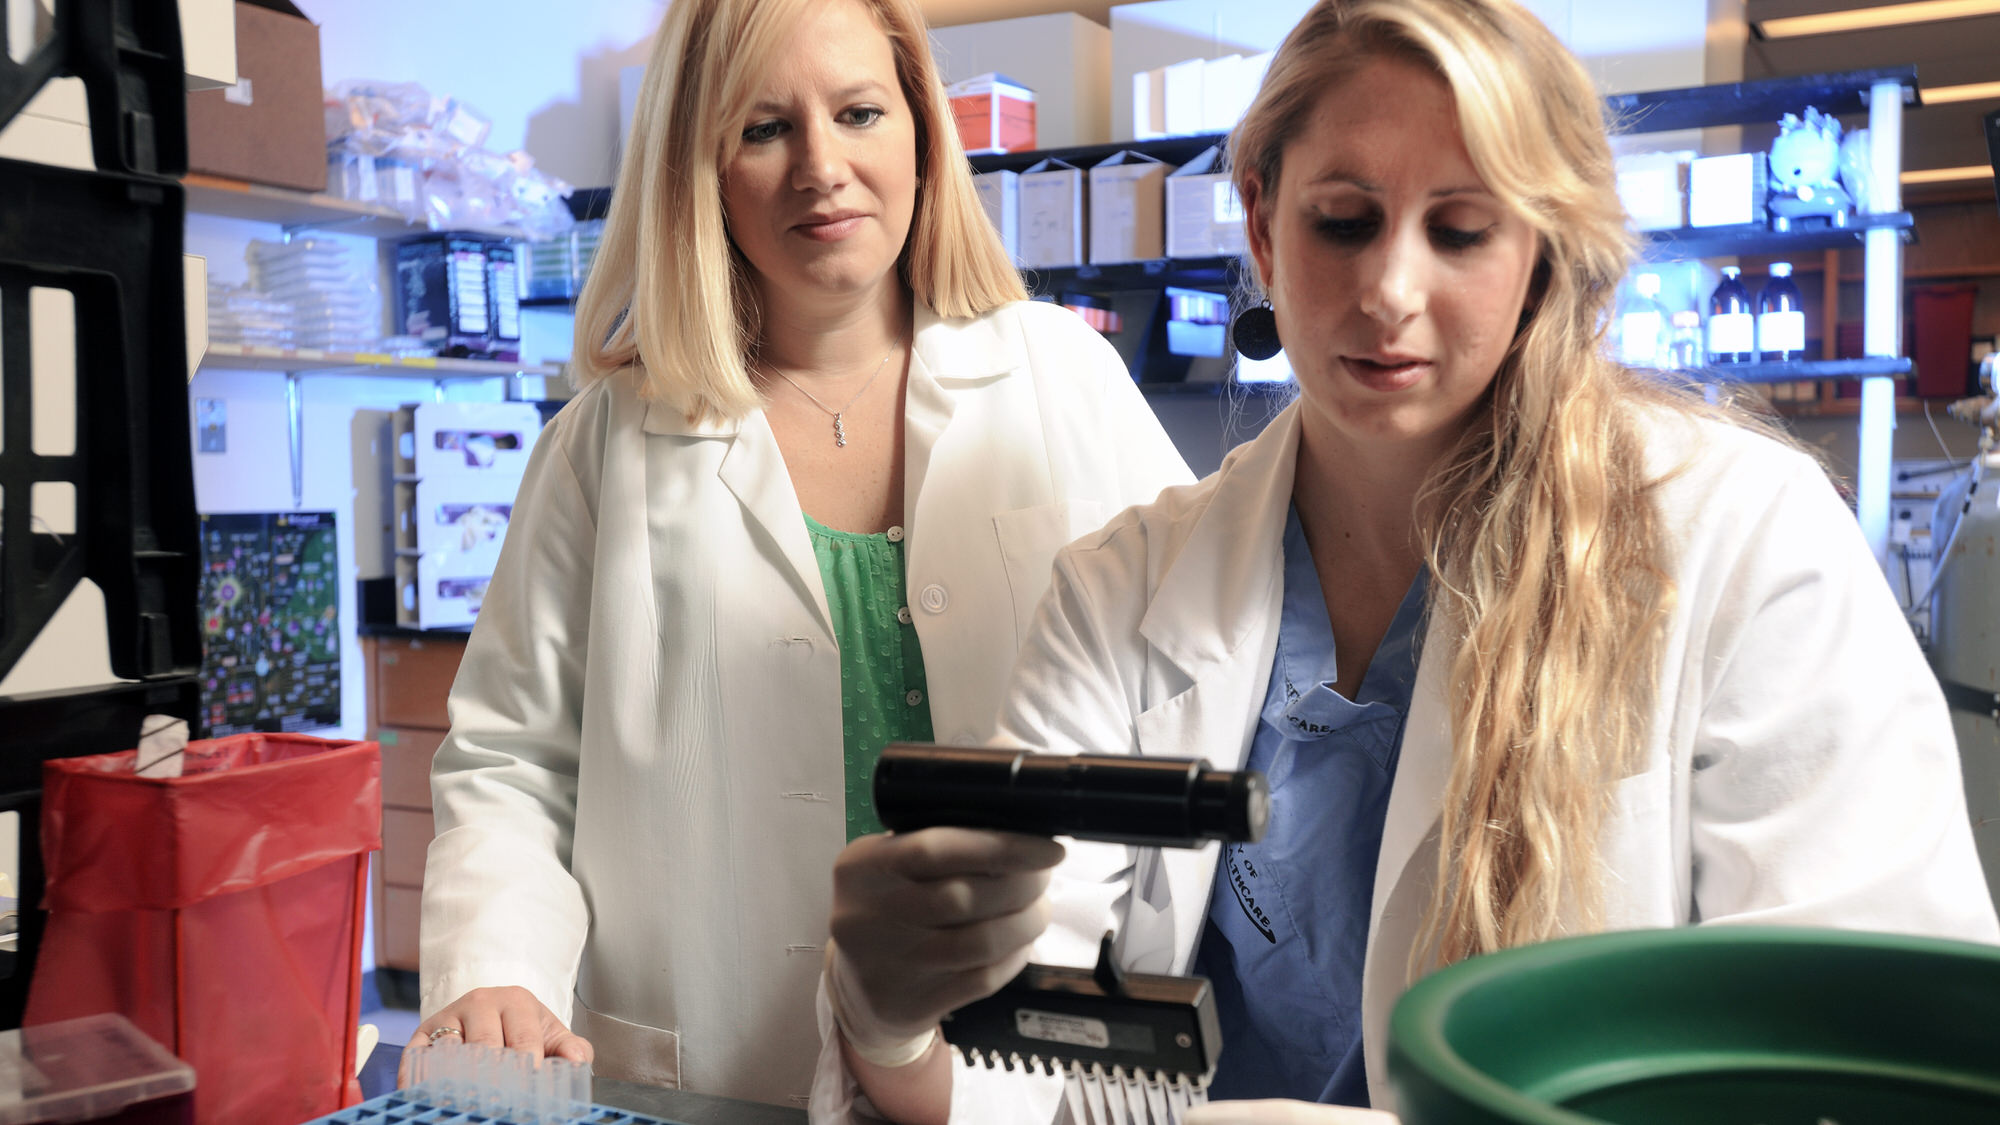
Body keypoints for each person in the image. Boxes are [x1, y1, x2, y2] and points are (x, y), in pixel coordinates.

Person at [814, 1, 2000, 1122]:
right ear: (1262, 219)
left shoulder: (1742, 540)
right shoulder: (1120, 587)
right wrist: (898, 1027)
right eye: (1343, 221)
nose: (1388, 291)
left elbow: (1859, 1059)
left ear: (1542, 250)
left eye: (1460, 228)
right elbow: (1018, 1065)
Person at [410, 0, 1192, 1106]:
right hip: (711, 1070)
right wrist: (496, 974)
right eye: (762, 130)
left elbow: (1190, 686)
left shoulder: (1060, 379)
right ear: (698, 169)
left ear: (921, 128)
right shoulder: (604, 446)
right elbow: (512, 766)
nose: (821, 167)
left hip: (1013, 1071)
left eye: (860, 112)